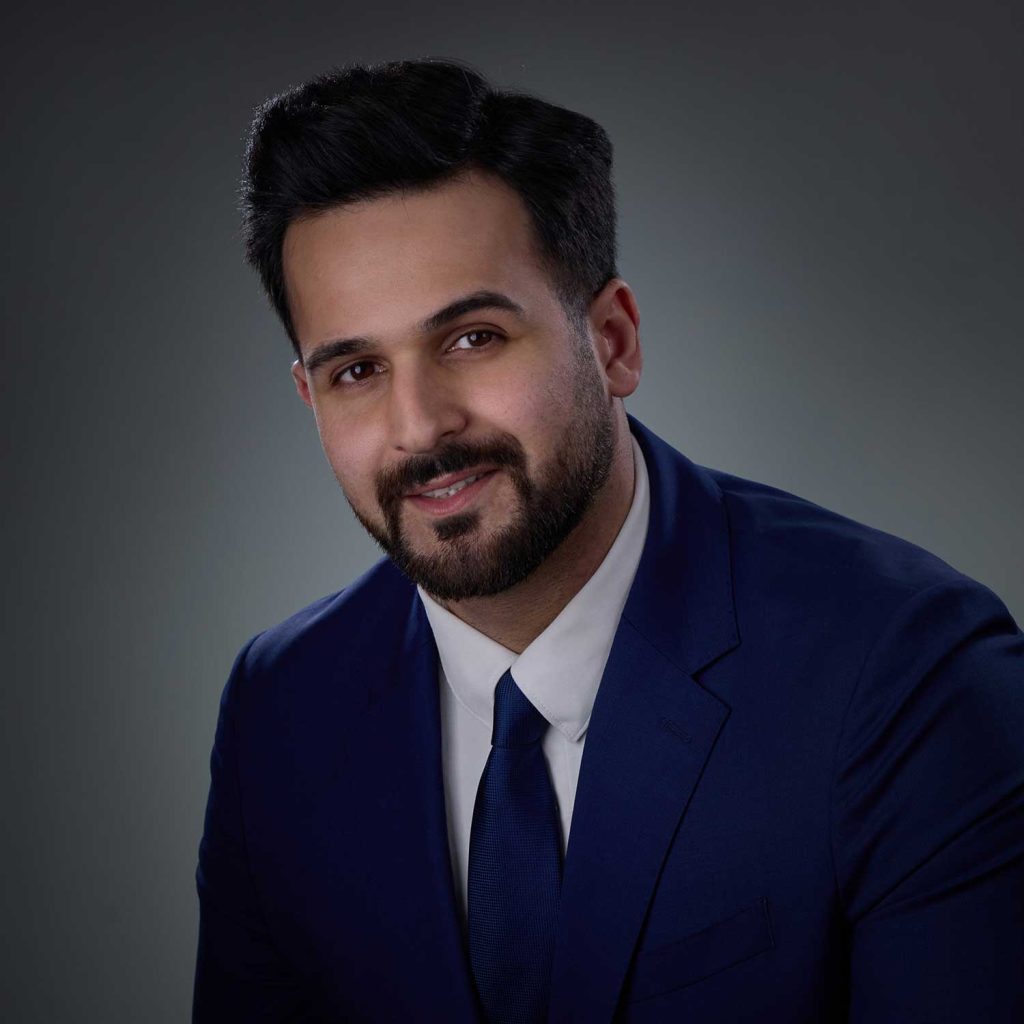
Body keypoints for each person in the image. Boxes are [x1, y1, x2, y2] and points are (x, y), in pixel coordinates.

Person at [193, 59, 1024, 1023]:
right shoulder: (282, 708)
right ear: (310, 397)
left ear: (615, 340)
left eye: (473, 339)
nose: (418, 427)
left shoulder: (907, 671)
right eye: (357, 370)